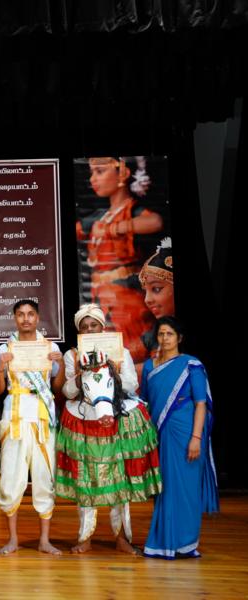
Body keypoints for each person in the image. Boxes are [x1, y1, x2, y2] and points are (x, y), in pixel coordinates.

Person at [57, 304, 162, 554]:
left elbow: (132, 385)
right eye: (84, 327)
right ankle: (85, 537)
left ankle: (122, 537)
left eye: (93, 325)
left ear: (102, 327)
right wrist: (81, 375)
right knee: (85, 479)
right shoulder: (72, 356)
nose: (89, 330)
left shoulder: (120, 351)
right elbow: (67, 392)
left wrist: (111, 371)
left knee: (119, 479)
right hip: (84, 421)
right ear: (79, 331)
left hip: (115, 420)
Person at [142, 317, 218, 559]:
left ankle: (185, 543)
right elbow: (146, 403)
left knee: (186, 488)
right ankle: (163, 542)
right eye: (161, 334)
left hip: (186, 434)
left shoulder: (191, 365)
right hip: (160, 434)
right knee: (164, 488)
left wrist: (196, 438)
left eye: (170, 334)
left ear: (179, 338)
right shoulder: (149, 367)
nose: (164, 339)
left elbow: (201, 404)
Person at [0, 299, 65, 555]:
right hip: (15, 415)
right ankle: (12, 539)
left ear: (38, 317)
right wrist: (1, 369)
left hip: (42, 415)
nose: (26, 319)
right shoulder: (5, 348)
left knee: (44, 477)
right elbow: (0, 391)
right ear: (14, 318)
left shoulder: (50, 347)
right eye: (21, 314)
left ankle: (44, 540)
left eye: (30, 314)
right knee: (11, 477)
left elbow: (57, 388)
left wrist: (61, 365)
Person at [78, 157, 163, 363]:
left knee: (131, 354)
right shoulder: (101, 217)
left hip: (125, 299)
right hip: (101, 297)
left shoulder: (130, 211)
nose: (93, 179)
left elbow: (155, 222)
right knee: (105, 356)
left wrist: (115, 228)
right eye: (91, 173)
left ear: (122, 173)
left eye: (100, 171)